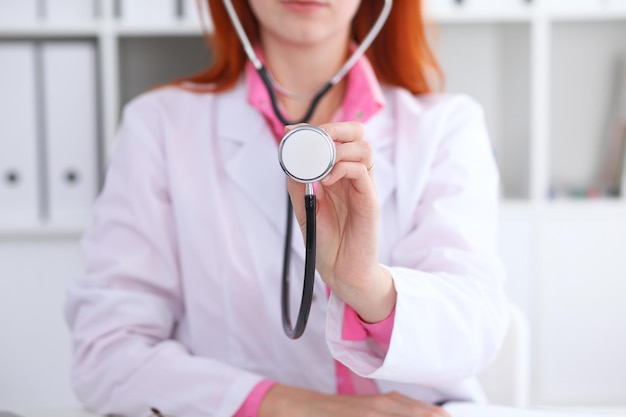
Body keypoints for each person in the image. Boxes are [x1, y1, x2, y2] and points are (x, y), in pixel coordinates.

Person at [65, 0, 511, 416]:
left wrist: (365, 285)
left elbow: (474, 329)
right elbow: (108, 353)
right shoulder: (158, 127)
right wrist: (293, 406)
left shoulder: (446, 126)